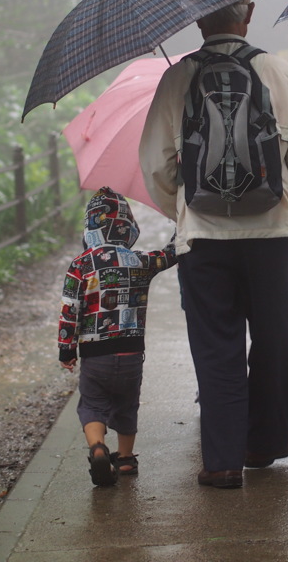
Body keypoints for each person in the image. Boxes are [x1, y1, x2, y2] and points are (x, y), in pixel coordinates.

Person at [139, 0, 288, 489]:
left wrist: (189, 204)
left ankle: (221, 462)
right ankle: (268, 440)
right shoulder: (277, 69)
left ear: (197, 20)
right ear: (248, 14)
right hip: (271, 233)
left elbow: (156, 165)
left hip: (204, 239)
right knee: (273, 337)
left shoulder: (177, 77)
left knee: (217, 346)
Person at [58, 187, 177, 486]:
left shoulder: (81, 265)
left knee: (92, 405)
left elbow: (70, 310)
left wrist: (66, 350)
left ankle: (98, 448)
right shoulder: (138, 261)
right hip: (131, 354)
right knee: (127, 404)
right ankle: (125, 459)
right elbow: (169, 255)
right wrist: (182, 227)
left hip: (95, 356)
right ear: (128, 227)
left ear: (90, 226)